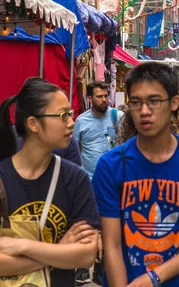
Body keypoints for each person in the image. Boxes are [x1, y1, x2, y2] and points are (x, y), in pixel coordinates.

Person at [92, 62, 179, 286]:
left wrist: (155, 277)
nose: (144, 111)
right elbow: (112, 244)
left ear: (174, 102)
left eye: (154, 101)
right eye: (136, 103)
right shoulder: (111, 165)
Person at [0, 77, 100, 287]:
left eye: (70, 114)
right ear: (33, 124)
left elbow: (85, 256)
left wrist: (23, 247)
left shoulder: (75, 178)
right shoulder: (3, 177)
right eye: (63, 115)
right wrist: (60, 249)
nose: (71, 122)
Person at [72, 81, 123, 285]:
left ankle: (103, 269)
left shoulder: (117, 117)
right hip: (90, 181)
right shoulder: (81, 122)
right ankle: (83, 266)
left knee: (111, 225)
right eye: (99, 96)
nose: (104, 99)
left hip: (114, 183)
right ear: (90, 99)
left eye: (105, 95)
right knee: (87, 224)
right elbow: (75, 152)